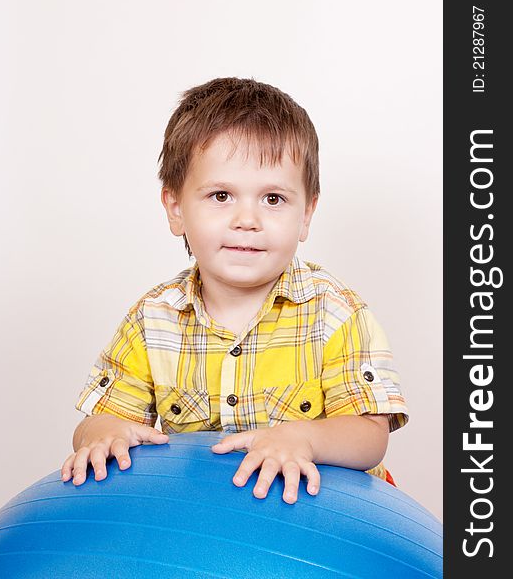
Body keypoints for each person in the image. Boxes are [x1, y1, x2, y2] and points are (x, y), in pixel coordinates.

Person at [61, 77, 409, 504]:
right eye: (221, 195)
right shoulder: (152, 320)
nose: (248, 219)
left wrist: (303, 438)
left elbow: (371, 436)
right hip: (210, 524)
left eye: (274, 199)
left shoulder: (336, 314)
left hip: (323, 521)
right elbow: (99, 421)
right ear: (175, 209)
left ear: (307, 214)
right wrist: (102, 433)